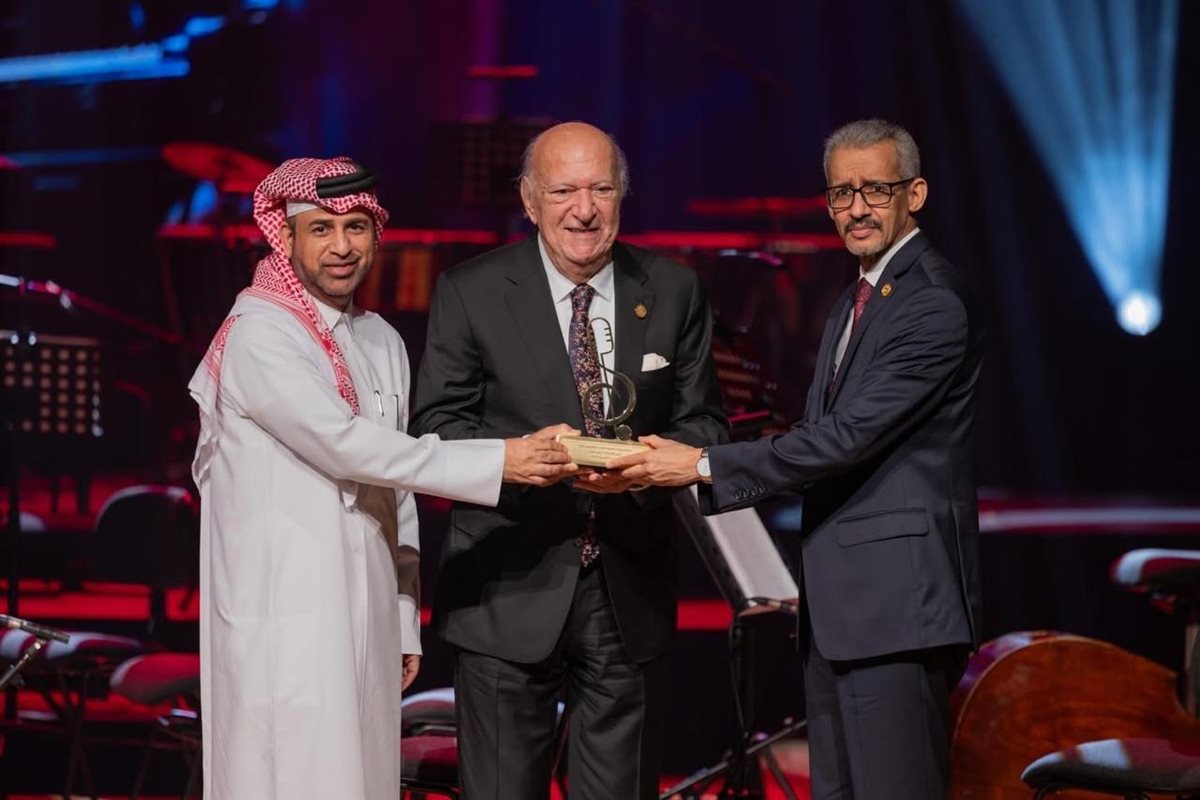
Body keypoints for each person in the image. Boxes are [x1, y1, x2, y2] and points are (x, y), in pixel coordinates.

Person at [608, 119, 984, 800]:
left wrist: (701, 465)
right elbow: (824, 433)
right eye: (841, 193)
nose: (856, 208)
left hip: (896, 612)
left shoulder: (931, 302)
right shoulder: (854, 299)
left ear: (916, 194)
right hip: (842, 611)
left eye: (875, 189)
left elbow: (845, 440)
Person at [188, 156, 576, 799]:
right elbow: (347, 448)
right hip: (282, 616)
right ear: (286, 237)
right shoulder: (259, 334)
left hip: (364, 614)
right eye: (321, 229)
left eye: (357, 227)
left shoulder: (381, 340)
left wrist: (400, 617)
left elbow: (395, 490)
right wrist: (499, 461)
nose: (342, 247)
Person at [410, 121, 728, 798]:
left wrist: (646, 467)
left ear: (622, 196)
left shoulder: (674, 289)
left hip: (628, 593)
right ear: (529, 200)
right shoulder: (471, 290)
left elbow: (706, 424)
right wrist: (511, 460)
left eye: (600, 190)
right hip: (505, 587)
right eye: (563, 192)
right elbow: (435, 427)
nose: (583, 209)